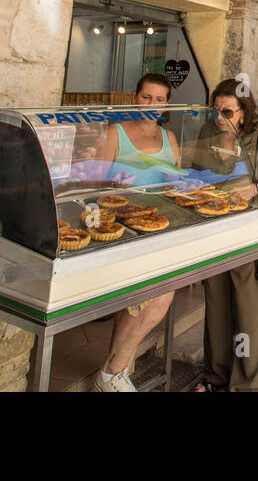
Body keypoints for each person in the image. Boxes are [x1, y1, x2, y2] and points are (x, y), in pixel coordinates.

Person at [194, 79, 258, 392]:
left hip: (250, 229)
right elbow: (195, 172)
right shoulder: (207, 132)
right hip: (213, 227)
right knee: (217, 305)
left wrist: (254, 188)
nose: (221, 118)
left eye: (228, 112)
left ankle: (246, 383)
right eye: (216, 111)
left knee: (249, 311)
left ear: (243, 112)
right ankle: (215, 375)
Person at [94, 74, 183, 391]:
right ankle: (113, 373)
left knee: (137, 301)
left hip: (160, 227)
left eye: (159, 100)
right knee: (157, 297)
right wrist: (115, 183)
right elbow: (94, 184)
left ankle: (115, 366)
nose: (152, 104)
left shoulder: (169, 137)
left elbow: (176, 184)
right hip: (123, 231)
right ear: (135, 98)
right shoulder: (115, 133)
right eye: (147, 97)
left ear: (167, 104)